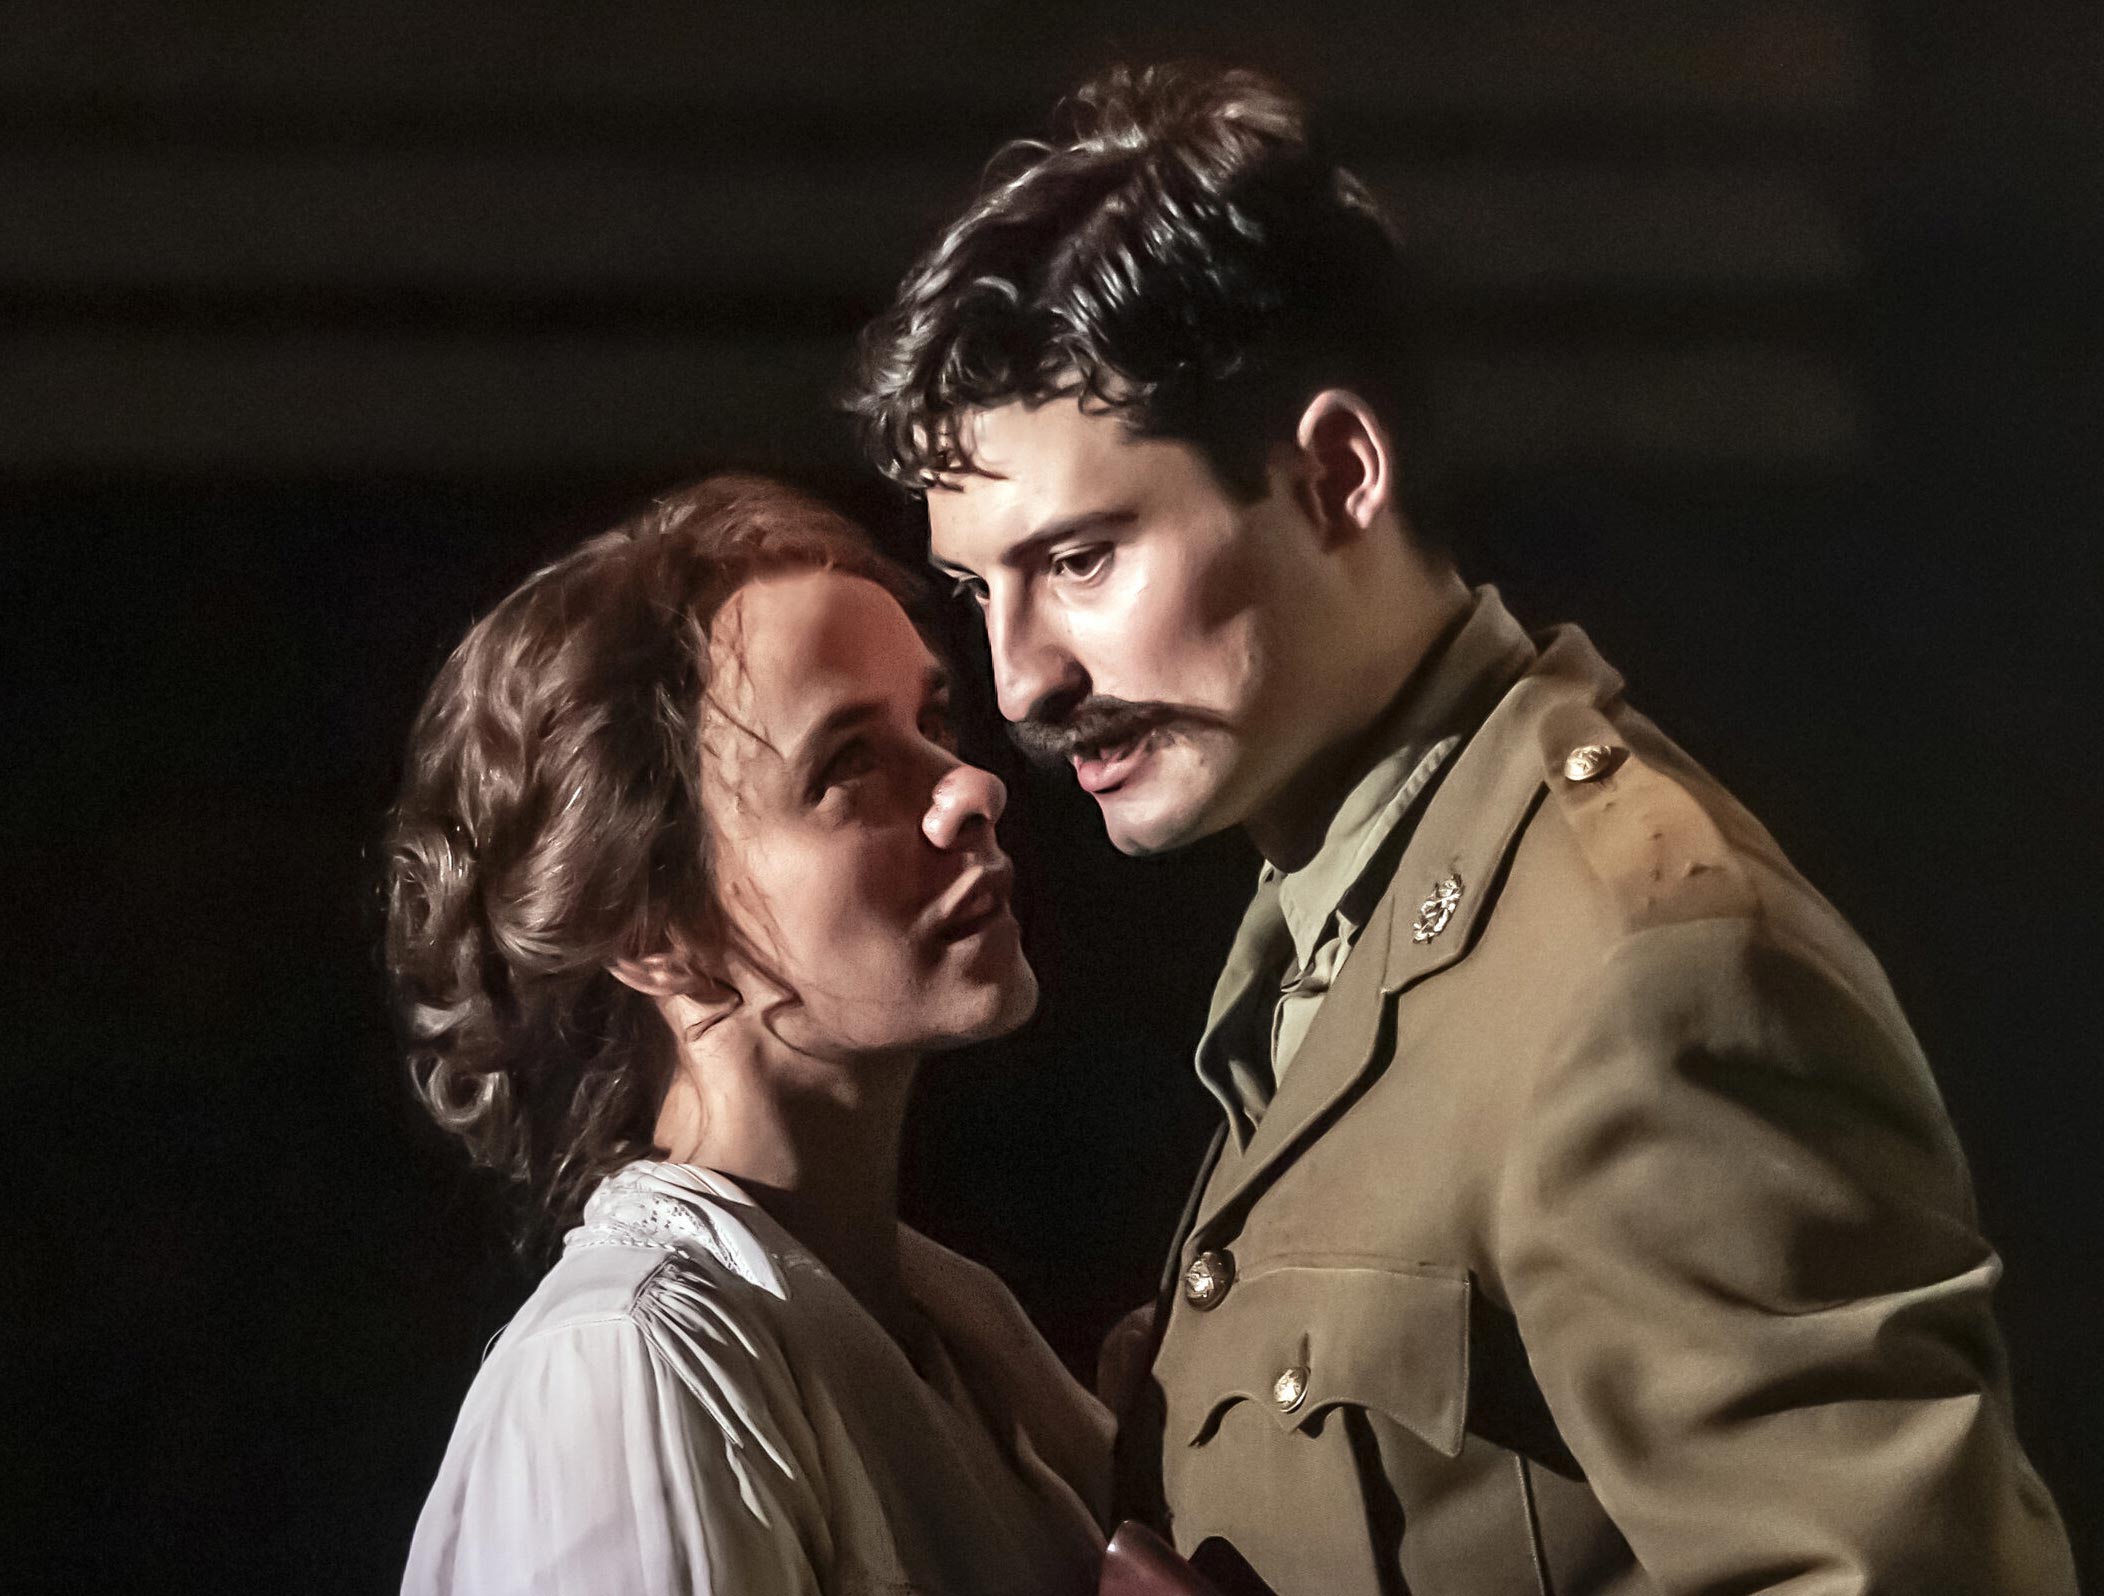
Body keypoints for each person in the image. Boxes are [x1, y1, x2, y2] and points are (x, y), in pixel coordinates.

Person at [845, 64, 2077, 1596]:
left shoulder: (1635, 978)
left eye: (1082, 559)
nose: (1022, 676)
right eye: (981, 591)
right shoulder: (1341, 916)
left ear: (1336, 475)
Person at [383, 476, 1110, 1595]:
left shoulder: (958, 1337)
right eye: (848, 765)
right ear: (655, 933)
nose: (969, 787)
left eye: (934, 721)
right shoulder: (629, 1374)